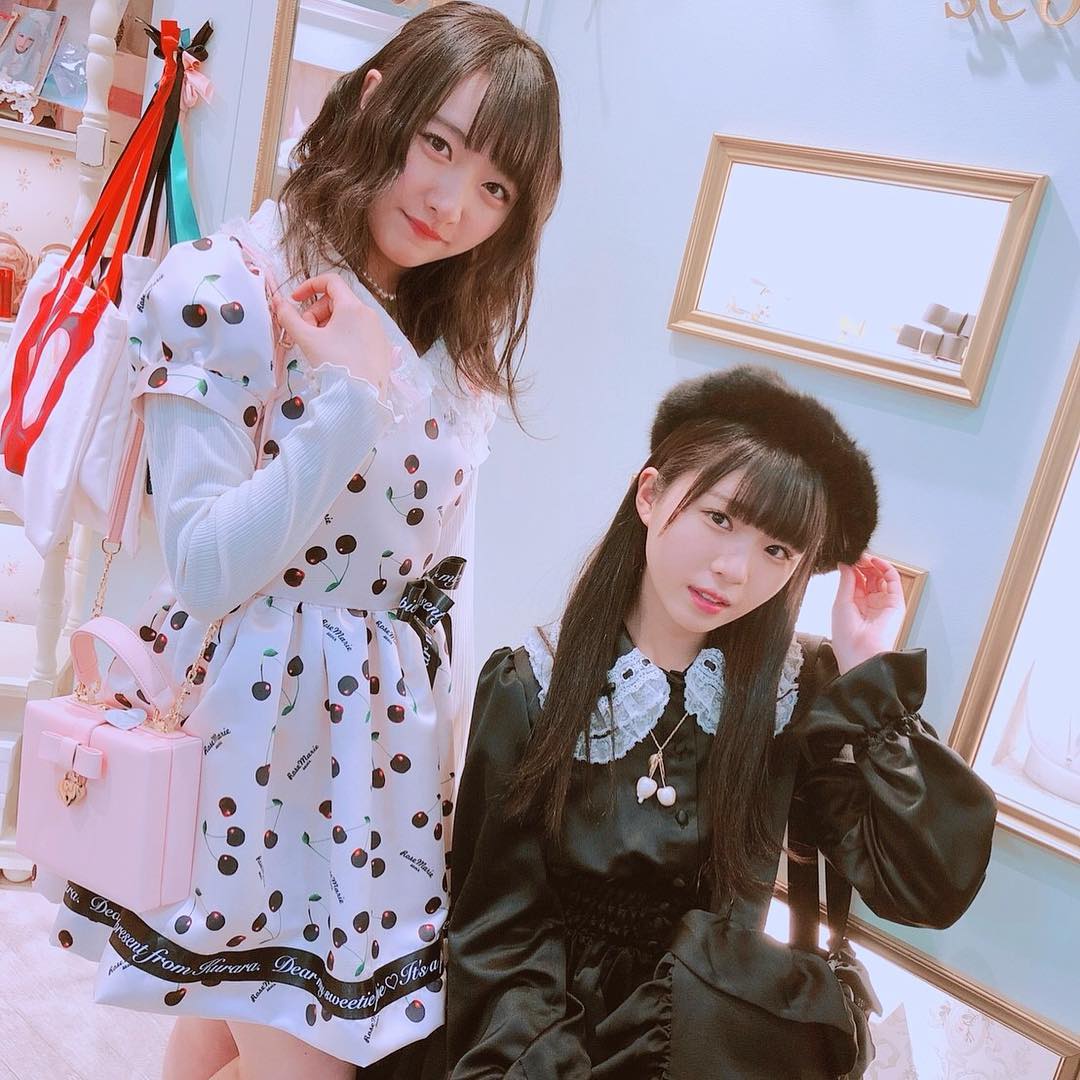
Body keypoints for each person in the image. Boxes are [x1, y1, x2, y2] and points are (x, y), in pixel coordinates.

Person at [49, 4, 562, 1078]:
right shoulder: (226, 286)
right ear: (376, 100)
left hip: (374, 746)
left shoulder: (446, 333)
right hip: (247, 731)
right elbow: (204, 565)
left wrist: (443, 741)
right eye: (439, 144)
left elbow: (435, 568)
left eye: (496, 189)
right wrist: (348, 405)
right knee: (287, 1037)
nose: (451, 202)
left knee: (224, 1023)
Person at [443, 365, 997, 1078]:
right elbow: (499, 935)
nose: (736, 570)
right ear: (651, 495)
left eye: (777, 550)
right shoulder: (532, 688)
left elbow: (924, 886)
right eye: (720, 518)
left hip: (715, 1050)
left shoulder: (790, 698)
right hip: (549, 1051)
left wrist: (870, 679)